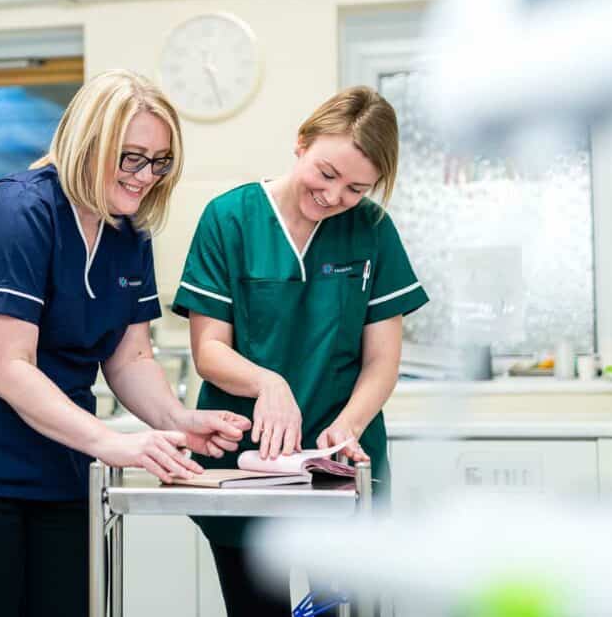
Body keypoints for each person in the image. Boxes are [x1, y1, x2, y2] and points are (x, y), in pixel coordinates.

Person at [0, 69, 251, 617]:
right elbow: (9, 366)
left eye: (160, 161)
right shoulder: (17, 215)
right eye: (132, 157)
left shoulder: (127, 231)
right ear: (85, 142)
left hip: (53, 459)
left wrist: (175, 419)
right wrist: (111, 442)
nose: (146, 176)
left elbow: (131, 358)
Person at [172, 86, 429, 616]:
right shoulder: (231, 219)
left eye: (357, 187)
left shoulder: (373, 232)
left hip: (339, 465)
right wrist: (269, 383)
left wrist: (348, 426)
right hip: (247, 460)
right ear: (301, 144)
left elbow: (382, 360)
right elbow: (209, 350)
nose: (335, 197)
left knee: (338, 610)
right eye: (327, 173)